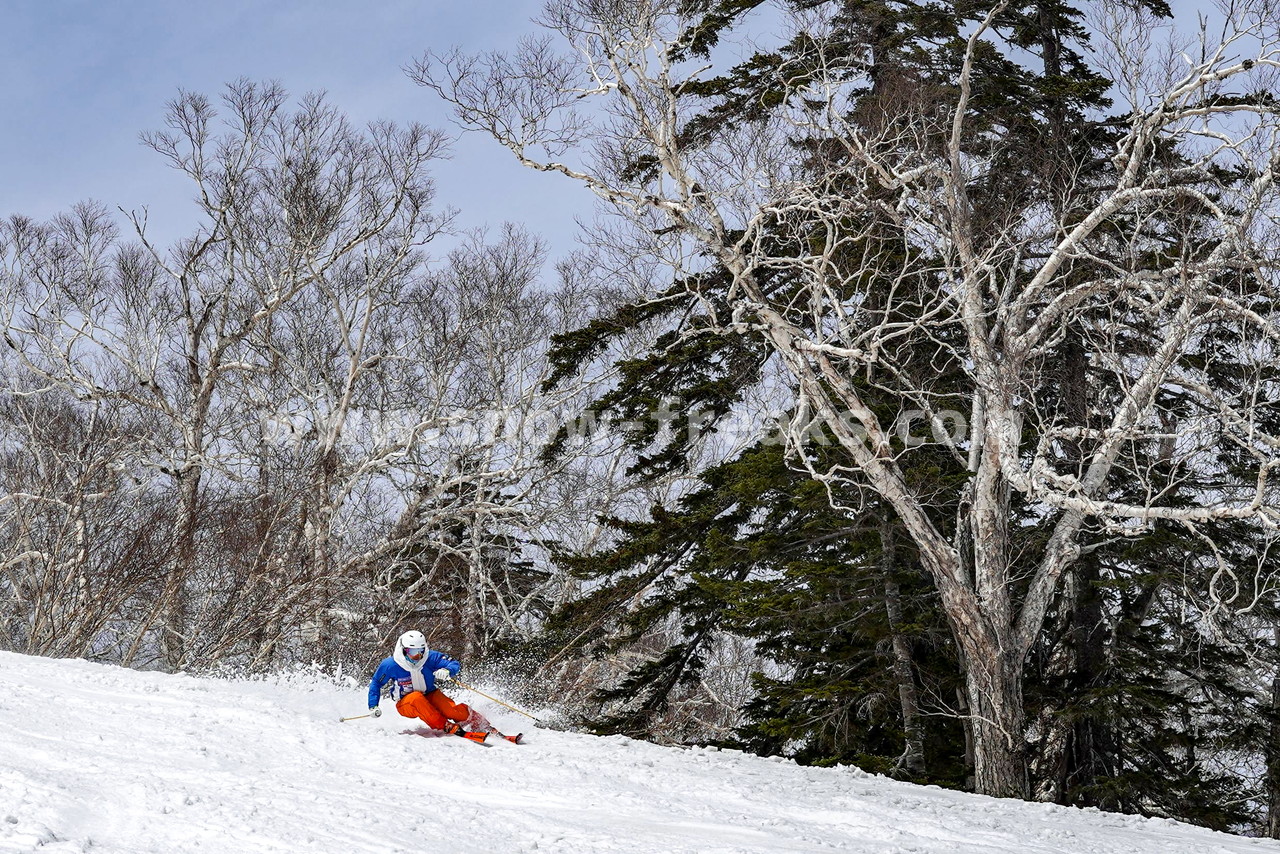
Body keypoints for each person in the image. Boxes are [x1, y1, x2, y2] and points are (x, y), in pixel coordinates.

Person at [367, 630, 493, 735]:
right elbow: (376, 683)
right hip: (406, 703)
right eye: (412, 652)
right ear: (403, 650)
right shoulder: (391, 664)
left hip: (430, 693)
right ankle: (444, 725)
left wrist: (447, 670)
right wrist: (373, 705)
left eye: (420, 652)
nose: (417, 657)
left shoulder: (429, 658)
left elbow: (453, 663)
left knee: (451, 710)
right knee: (417, 698)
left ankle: (477, 721)